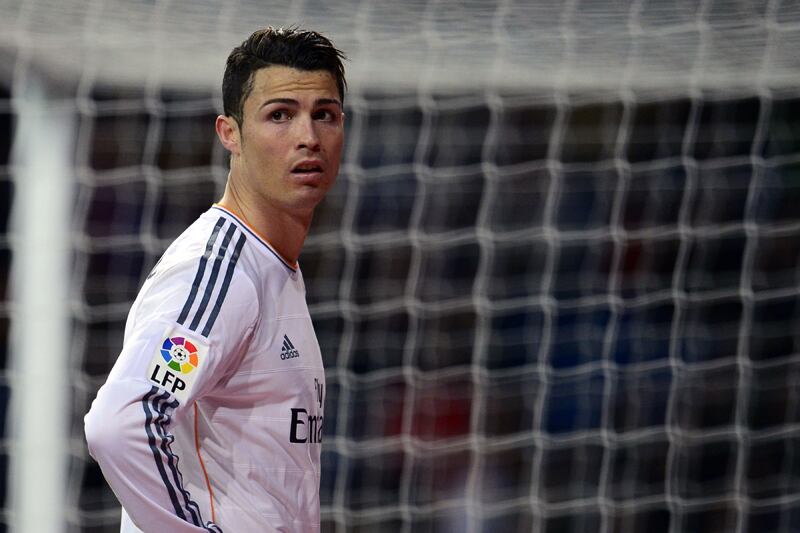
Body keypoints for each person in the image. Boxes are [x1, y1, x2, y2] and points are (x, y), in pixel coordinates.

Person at [84, 26, 346, 532]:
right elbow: (119, 423)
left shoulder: (270, 267)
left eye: (324, 115)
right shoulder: (220, 270)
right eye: (280, 115)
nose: (308, 137)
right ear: (230, 134)